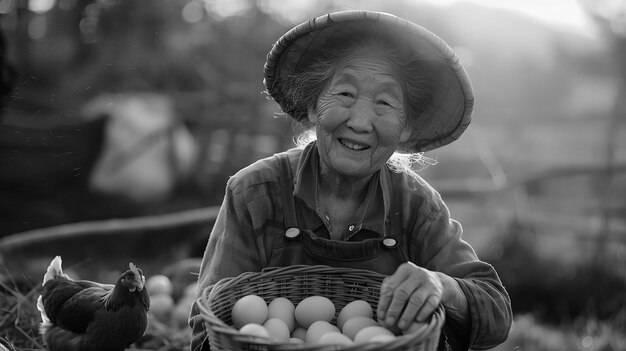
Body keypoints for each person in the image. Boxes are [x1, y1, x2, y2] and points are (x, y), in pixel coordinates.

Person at [189, 10, 512, 351]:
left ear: (405, 130)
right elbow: (207, 328)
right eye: (345, 94)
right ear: (313, 107)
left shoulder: (417, 207)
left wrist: (442, 286)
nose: (360, 122)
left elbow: (496, 315)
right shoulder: (255, 193)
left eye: (385, 102)